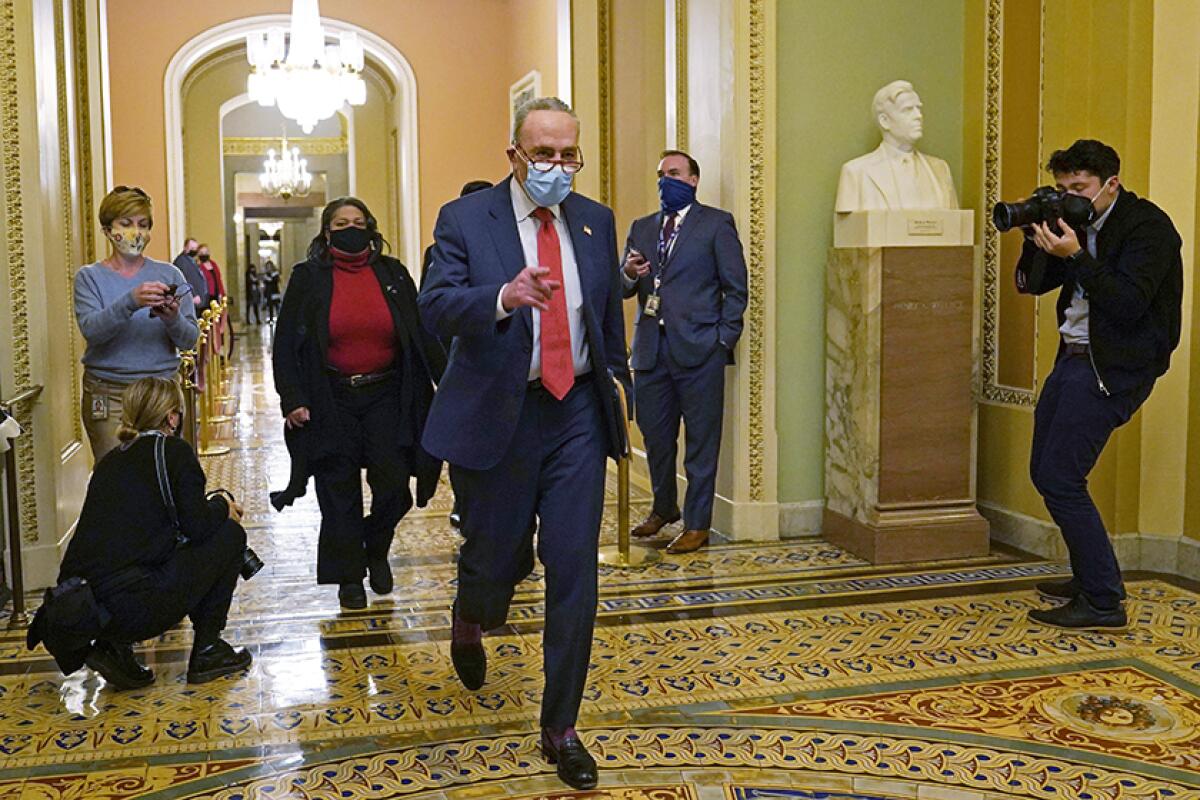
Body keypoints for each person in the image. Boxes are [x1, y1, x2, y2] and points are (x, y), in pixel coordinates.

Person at [419, 97, 630, 791]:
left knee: (575, 568)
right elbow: (436, 305)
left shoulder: (596, 221)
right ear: (513, 154)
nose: (557, 166)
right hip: (497, 416)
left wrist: (617, 393)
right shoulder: (465, 220)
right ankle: (469, 610)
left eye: (569, 153)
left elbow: (604, 321)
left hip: (574, 415)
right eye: (544, 154)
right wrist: (502, 297)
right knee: (496, 555)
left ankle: (561, 726)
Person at [1017, 139, 1182, 629]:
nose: (1072, 197)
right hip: (1072, 358)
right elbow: (1033, 284)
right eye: (1063, 188)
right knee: (1044, 471)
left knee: (1061, 478)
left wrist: (1077, 256)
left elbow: (1129, 302)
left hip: (1113, 368)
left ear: (1111, 184)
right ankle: (1090, 574)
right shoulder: (1078, 225)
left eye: (1080, 188)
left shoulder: (1147, 227)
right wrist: (1036, 239)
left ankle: (1104, 601)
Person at [272, 197, 446, 609]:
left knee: (393, 485)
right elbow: (286, 346)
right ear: (327, 232)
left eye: (358, 221)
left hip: (387, 394)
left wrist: (449, 385)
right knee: (338, 490)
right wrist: (292, 398)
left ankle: (375, 546)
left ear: (370, 227)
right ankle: (349, 577)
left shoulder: (393, 274)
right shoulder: (308, 277)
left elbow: (421, 335)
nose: (351, 229)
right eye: (341, 223)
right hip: (330, 397)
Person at [29, 377, 252, 688]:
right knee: (230, 535)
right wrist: (221, 505)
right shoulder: (175, 452)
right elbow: (199, 528)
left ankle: (114, 649)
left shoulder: (109, 461)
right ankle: (209, 649)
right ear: (172, 417)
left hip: (89, 611)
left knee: (132, 561)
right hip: (137, 607)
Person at [623, 150, 748, 553]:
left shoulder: (715, 224)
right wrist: (627, 274)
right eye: (661, 174)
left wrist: (722, 339)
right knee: (656, 437)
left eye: (674, 174)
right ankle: (664, 508)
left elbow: (736, 287)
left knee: (700, 442)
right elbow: (623, 287)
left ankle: (698, 523)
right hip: (650, 353)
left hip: (700, 352)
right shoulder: (642, 228)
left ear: (693, 179)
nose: (665, 181)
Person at [74, 186, 199, 461]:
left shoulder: (170, 273)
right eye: (126, 223)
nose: (136, 232)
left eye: (143, 224)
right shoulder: (89, 278)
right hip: (110, 392)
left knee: (164, 473)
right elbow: (92, 331)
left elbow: (189, 338)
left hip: (161, 391)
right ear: (108, 229)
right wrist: (130, 301)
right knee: (116, 478)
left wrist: (172, 318)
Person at [419, 178, 493, 528]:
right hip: (460, 359)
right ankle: (464, 503)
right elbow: (432, 309)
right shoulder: (439, 252)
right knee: (464, 441)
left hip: (503, 358)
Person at [835, 80, 959, 212]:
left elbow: (955, 227)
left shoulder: (940, 170)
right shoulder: (856, 173)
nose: (918, 116)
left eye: (918, 108)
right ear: (885, 121)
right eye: (907, 110)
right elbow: (847, 231)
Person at [173, 237, 211, 311]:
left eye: (195, 248)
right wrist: (193, 295)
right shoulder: (181, 261)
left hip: (199, 300)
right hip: (192, 300)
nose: (193, 250)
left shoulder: (191, 260)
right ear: (185, 247)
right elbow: (184, 280)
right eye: (191, 248)